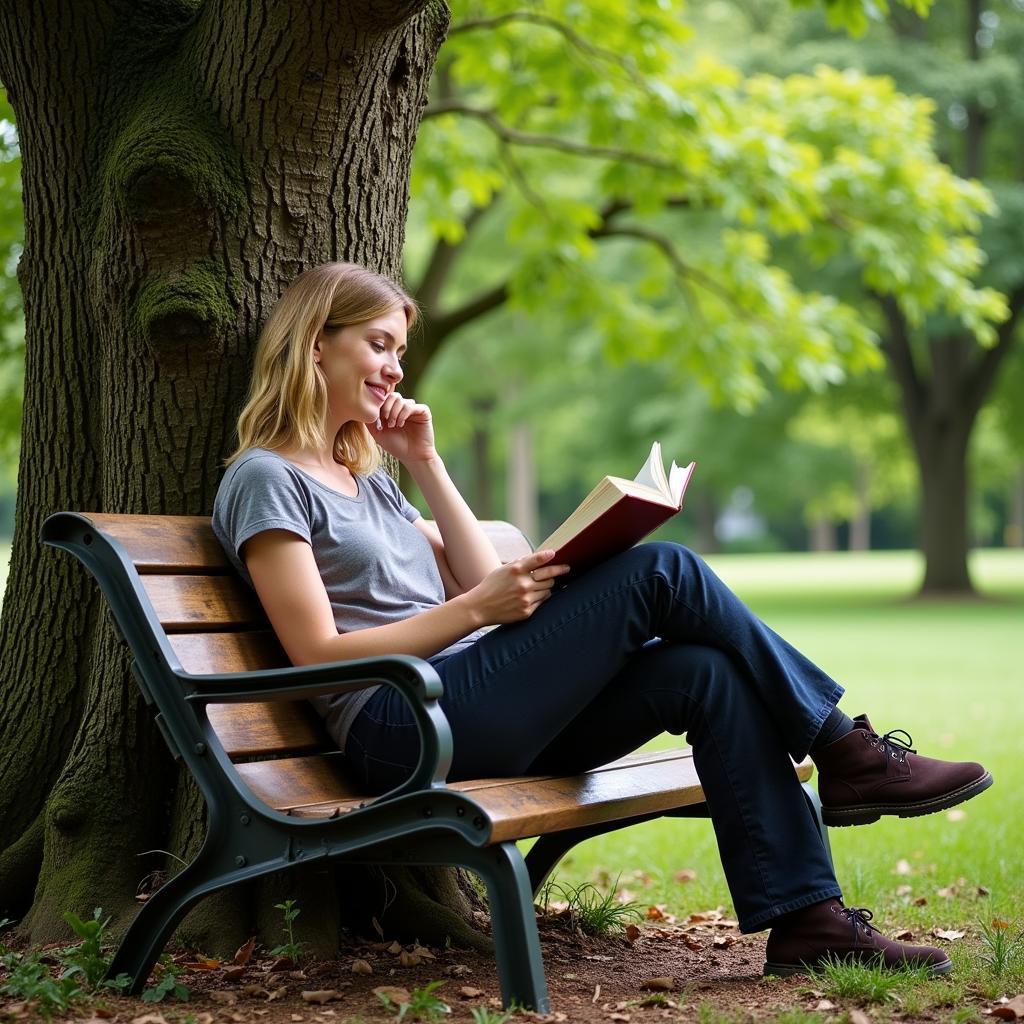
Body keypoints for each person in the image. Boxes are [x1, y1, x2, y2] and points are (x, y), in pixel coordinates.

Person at [212, 262, 993, 978]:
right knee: (667, 569)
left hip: (475, 706)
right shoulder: (267, 479)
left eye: (401, 354)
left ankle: (809, 920)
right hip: (401, 726)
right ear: (317, 344)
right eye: (379, 345)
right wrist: (470, 612)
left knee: (704, 673)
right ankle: (845, 748)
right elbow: (316, 652)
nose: (394, 369)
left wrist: (424, 462)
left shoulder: (366, 478)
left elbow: (489, 584)